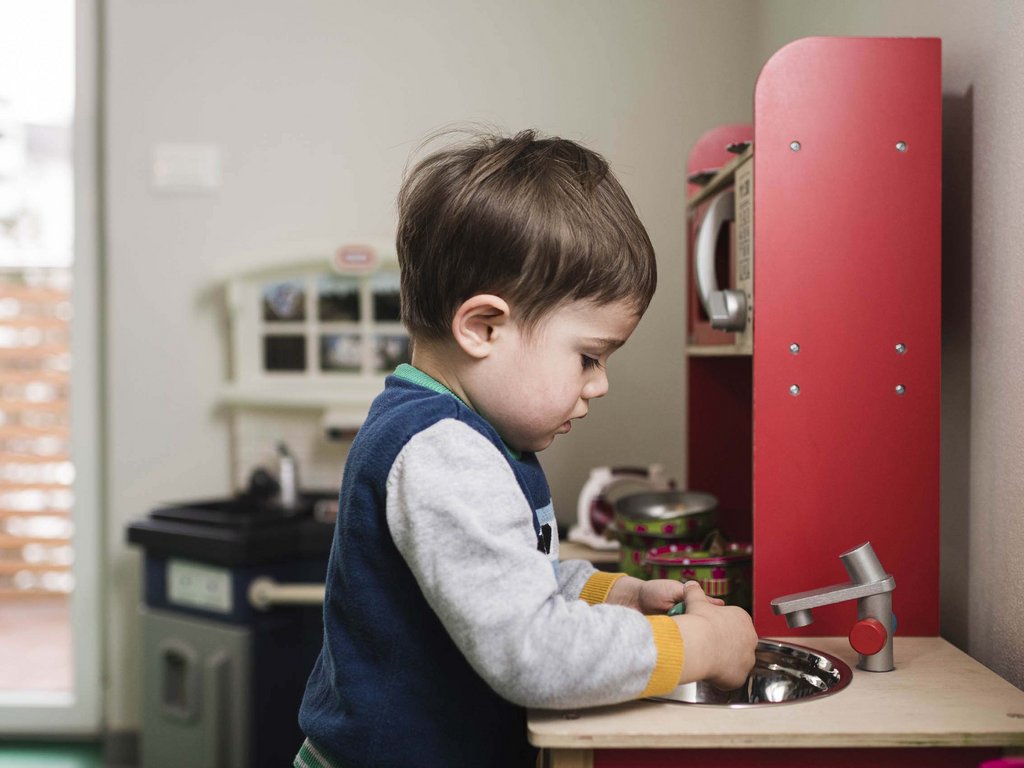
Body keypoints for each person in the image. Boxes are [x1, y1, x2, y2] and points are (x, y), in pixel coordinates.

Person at [294, 129, 757, 768]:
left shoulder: (465, 434)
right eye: (589, 356)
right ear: (484, 328)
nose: (599, 384)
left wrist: (612, 594)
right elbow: (530, 651)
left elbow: (508, 575)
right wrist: (696, 647)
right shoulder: (442, 453)